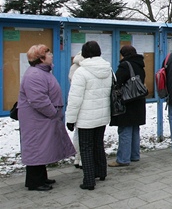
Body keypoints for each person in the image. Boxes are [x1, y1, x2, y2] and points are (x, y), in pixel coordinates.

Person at [19, 44, 75, 191]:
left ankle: (41, 177)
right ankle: (35, 182)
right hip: (37, 120)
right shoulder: (35, 75)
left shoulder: (41, 72)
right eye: (49, 54)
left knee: (41, 148)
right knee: (36, 148)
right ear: (41, 59)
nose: (51, 56)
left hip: (41, 119)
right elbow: (38, 100)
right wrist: (53, 112)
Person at [66, 41, 112, 190]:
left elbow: (75, 99)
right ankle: (101, 172)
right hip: (103, 114)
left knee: (85, 147)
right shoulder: (108, 69)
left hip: (86, 117)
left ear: (84, 53)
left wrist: (70, 119)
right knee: (98, 144)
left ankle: (89, 180)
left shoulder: (81, 72)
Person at [109, 45, 146, 167]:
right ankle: (134, 155)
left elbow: (117, 82)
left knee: (125, 129)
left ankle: (123, 159)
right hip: (138, 100)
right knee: (135, 129)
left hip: (127, 101)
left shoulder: (125, 66)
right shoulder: (140, 64)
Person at [68, 51, 84, 169]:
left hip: (80, 106)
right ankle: (83, 159)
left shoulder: (74, 67)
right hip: (88, 106)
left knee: (78, 133)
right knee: (88, 137)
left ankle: (78, 158)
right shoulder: (87, 69)